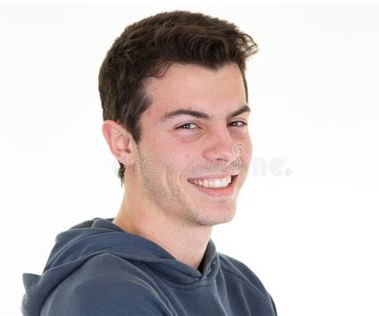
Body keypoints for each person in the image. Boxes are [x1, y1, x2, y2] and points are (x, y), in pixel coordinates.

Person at [21, 10, 277, 316]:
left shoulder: (243, 290)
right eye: (188, 126)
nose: (226, 149)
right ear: (123, 143)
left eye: (236, 122)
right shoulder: (105, 297)